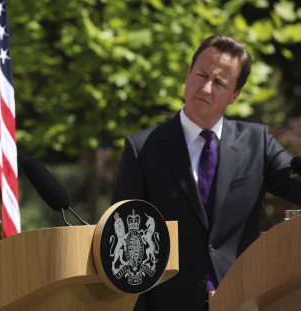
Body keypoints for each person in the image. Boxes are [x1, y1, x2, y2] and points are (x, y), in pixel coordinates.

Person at [111, 34, 301, 311]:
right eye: (201, 75)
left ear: (234, 95)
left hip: (241, 300)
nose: (206, 87)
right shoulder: (142, 149)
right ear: (188, 75)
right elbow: (126, 243)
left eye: (220, 82)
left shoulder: (257, 143)